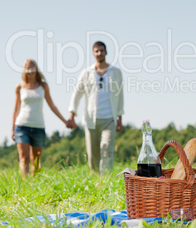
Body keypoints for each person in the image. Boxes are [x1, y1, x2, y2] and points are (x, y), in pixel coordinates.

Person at [68, 41, 124, 174]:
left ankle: (106, 180)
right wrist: (72, 114)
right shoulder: (87, 73)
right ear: (93, 54)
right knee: (93, 155)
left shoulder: (115, 72)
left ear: (106, 52)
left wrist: (120, 117)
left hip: (109, 118)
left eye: (102, 50)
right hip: (91, 119)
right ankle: (96, 179)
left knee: (107, 149)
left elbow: (120, 95)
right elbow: (77, 93)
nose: (99, 53)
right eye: (96, 51)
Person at [12, 59, 70, 176]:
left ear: (36, 69)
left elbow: (52, 106)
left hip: (38, 127)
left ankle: (35, 185)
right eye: (27, 68)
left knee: (36, 161)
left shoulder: (43, 86)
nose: (30, 70)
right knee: (24, 158)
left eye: (32, 68)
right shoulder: (19, 87)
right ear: (24, 71)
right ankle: (24, 186)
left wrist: (65, 121)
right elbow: (16, 109)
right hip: (21, 126)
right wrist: (12, 128)